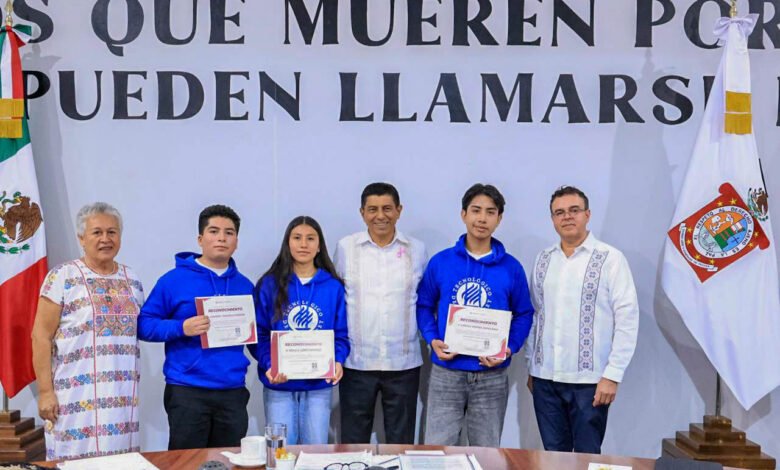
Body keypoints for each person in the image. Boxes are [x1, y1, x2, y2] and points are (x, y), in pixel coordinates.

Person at [416, 184, 534, 446]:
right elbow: (423, 306)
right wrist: (432, 339)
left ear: (499, 218)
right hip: (447, 372)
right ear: (463, 214)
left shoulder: (511, 268)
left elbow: (524, 313)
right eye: (476, 210)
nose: (482, 218)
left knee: (487, 452)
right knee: (437, 450)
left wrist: (509, 348)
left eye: (490, 212)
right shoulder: (441, 262)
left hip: (492, 377)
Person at [526, 185, 639, 454]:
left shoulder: (610, 259)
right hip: (545, 379)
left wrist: (612, 375)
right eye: (559, 212)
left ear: (587, 214)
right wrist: (531, 366)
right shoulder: (544, 259)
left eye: (574, 210)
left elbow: (627, 319)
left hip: (590, 382)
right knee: (554, 456)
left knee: (587, 457)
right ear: (552, 219)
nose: (567, 217)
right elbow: (536, 315)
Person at [31, 202, 144, 461]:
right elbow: (40, 336)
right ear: (82, 238)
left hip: (121, 400)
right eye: (97, 232)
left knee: (121, 462)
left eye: (112, 232)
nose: (105, 239)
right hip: (73, 398)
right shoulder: (62, 277)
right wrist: (45, 392)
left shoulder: (132, 280)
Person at [137, 204, 254, 450]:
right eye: (214, 231)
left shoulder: (245, 286)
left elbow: (257, 339)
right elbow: (144, 325)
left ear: (236, 241)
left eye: (229, 233)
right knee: (186, 462)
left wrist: (276, 364)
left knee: (228, 462)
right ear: (200, 239)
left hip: (232, 391)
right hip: (187, 390)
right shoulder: (173, 281)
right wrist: (182, 327)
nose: (221, 238)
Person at [334, 183, 427, 444]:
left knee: (401, 442)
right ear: (362, 212)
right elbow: (336, 298)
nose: (380, 216)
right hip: (356, 363)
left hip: (403, 363)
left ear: (399, 210)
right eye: (372, 209)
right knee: (353, 442)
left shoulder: (417, 249)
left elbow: (425, 299)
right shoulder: (345, 248)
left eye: (387, 208)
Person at [252, 216, 349, 445]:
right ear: (288, 243)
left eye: (310, 238)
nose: (303, 244)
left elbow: (341, 335)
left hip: (318, 385)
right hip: (279, 384)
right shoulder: (269, 284)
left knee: (316, 451)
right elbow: (260, 334)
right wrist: (270, 364)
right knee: (279, 452)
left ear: (319, 246)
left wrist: (337, 360)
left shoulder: (333, 286)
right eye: (297, 238)